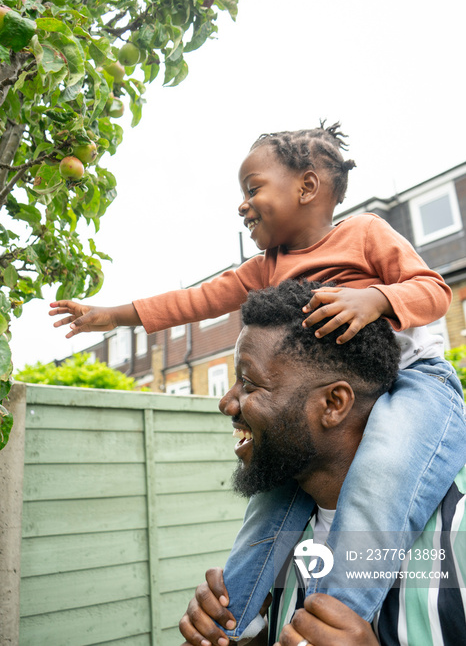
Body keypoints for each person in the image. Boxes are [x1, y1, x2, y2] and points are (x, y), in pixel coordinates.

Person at [49, 123, 466, 636]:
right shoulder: (265, 267)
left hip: (415, 379)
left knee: (383, 476)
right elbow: (193, 301)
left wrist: (378, 299)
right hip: (344, 398)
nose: (243, 205)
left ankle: (336, 619)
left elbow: (434, 290)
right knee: (264, 514)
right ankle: (234, 624)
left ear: (307, 187)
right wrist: (112, 317)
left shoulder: (366, 233)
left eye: (253, 189)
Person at [178, 280, 466, 646]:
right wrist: (236, 639)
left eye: (249, 384)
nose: (227, 403)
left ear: (333, 404)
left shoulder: (458, 533)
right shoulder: (281, 538)